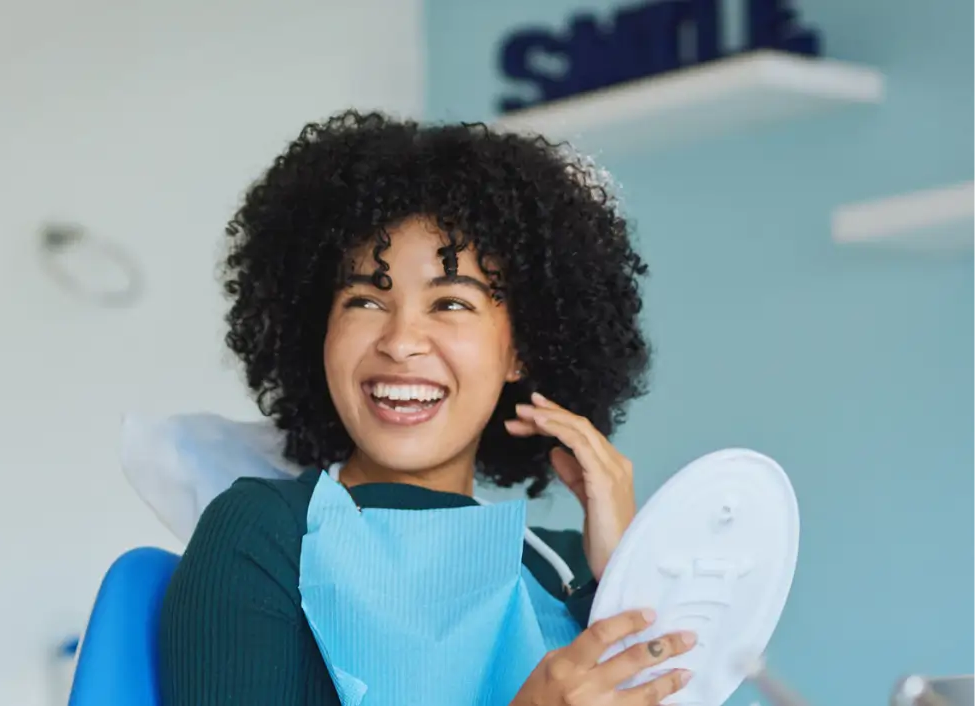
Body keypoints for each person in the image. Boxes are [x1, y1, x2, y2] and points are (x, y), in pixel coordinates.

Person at [158, 111, 691, 706]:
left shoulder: (569, 569)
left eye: (452, 304)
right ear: (319, 329)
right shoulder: (263, 534)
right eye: (364, 299)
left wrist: (628, 575)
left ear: (522, 347)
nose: (400, 340)